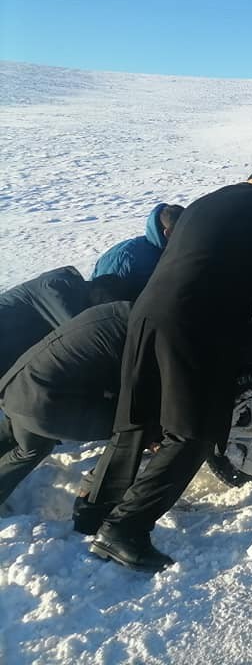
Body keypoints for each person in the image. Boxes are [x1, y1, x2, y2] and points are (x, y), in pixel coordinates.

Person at [83, 167, 252, 573]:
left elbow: (210, 265)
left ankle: (92, 512)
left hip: (147, 313)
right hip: (190, 324)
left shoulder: (205, 203)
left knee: (137, 418)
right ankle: (123, 530)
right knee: (192, 433)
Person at [0, 301, 130, 508]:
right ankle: (93, 498)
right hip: (39, 398)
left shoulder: (110, 314)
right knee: (31, 449)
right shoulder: (130, 331)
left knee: (12, 430)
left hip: (18, 382)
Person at [0, 267, 132, 376]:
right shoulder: (61, 287)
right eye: (105, 302)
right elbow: (79, 336)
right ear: (100, 291)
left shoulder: (69, 290)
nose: (103, 310)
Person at [92, 203, 184, 298]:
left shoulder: (165, 250)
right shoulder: (134, 261)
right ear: (168, 233)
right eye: (185, 232)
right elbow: (106, 301)